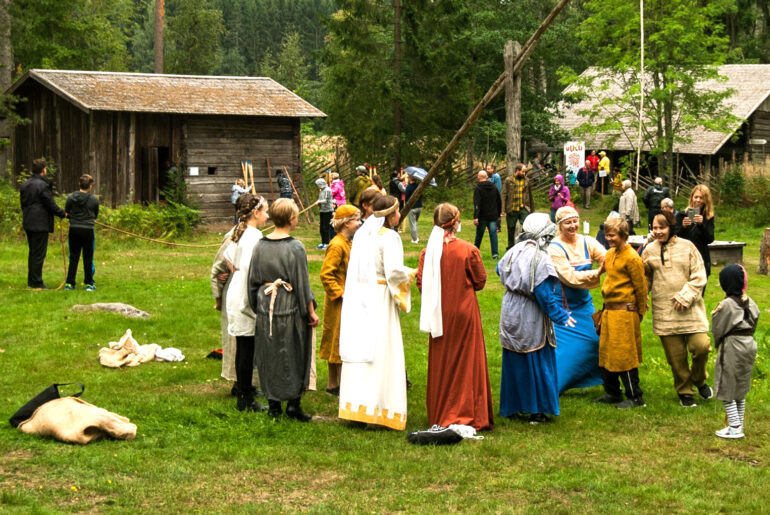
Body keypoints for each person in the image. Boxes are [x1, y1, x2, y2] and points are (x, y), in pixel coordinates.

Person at [338, 195, 414, 430]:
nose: (400, 215)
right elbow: (393, 272)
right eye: (398, 211)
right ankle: (379, 410)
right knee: (381, 350)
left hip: (359, 296)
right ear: (391, 215)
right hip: (380, 297)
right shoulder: (390, 238)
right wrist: (412, 274)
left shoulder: (361, 234)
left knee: (361, 348)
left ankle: (355, 409)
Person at [416, 203, 493, 431]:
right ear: (456, 222)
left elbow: (422, 284)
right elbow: (480, 281)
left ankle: (442, 411)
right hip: (464, 311)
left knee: (443, 361)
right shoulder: (469, 250)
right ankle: (469, 412)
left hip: (438, 313)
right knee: (467, 361)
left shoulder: (427, 253)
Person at [498, 213, 575, 423]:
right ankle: (537, 409)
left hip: (511, 308)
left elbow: (500, 270)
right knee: (535, 358)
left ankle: (512, 406)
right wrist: (560, 315)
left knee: (515, 358)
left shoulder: (513, 251)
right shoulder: (540, 258)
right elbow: (543, 294)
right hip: (530, 313)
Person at [248, 198, 319, 421]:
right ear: (291, 219)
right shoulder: (294, 247)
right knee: (293, 351)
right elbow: (301, 282)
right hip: (288, 306)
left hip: (265, 305)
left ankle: (275, 405)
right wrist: (310, 311)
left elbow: (252, 280)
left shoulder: (260, 244)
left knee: (269, 352)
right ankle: (291, 404)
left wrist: (257, 305)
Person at [642, 212, 712, 407]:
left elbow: (699, 275)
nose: (657, 232)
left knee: (702, 346)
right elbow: (645, 279)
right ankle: (685, 392)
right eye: (654, 228)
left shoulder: (687, 246)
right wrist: (641, 297)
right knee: (676, 358)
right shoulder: (648, 251)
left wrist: (685, 296)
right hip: (665, 311)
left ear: (671, 227)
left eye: (661, 228)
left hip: (691, 309)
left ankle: (699, 379)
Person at [548, 206, 607, 394]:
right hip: (563, 306)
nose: (573, 226)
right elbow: (569, 278)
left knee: (595, 341)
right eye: (568, 223)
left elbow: (607, 258)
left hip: (584, 304)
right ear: (560, 225)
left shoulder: (587, 241)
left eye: (575, 221)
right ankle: (553, 388)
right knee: (567, 351)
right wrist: (597, 272)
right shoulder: (554, 248)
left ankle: (598, 380)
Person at [595, 217, 648, 408]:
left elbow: (641, 287)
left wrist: (639, 311)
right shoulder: (609, 254)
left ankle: (635, 397)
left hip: (625, 312)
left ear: (624, 235)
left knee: (624, 354)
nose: (608, 238)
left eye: (612, 235)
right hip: (609, 312)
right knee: (607, 352)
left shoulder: (632, 258)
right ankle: (612, 392)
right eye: (607, 234)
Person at [224, 194, 269, 412]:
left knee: (245, 344)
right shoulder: (252, 235)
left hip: (237, 286)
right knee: (246, 346)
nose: (267, 216)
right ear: (256, 213)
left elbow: (228, 258)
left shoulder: (239, 231)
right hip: (244, 291)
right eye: (265, 211)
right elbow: (251, 267)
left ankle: (245, 387)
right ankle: (244, 397)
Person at [712, 264, 759, 439]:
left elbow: (718, 328)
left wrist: (719, 344)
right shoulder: (750, 302)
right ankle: (739, 424)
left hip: (732, 346)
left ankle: (735, 426)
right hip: (749, 344)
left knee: (726, 385)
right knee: (740, 385)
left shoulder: (726, 305)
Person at [319, 205, 362, 396]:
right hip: (338, 302)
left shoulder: (347, 242)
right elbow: (326, 274)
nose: (359, 223)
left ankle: (334, 384)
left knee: (340, 339)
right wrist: (340, 293)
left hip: (346, 299)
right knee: (337, 340)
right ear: (346, 223)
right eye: (357, 220)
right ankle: (338, 383)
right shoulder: (337, 245)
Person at [20, 158, 68, 289]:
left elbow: (23, 203)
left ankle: (31, 280)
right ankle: (37, 282)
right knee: (39, 253)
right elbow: (49, 203)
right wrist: (62, 213)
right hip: (40, 223)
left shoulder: (24, 185)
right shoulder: (43, 185)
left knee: (33, 252)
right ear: (43, 170)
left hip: (28, 221)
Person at [64, 174, 99, 291]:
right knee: (88, 257)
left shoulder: (71, 197)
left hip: (74, 229)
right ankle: (89, 283)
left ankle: (69, 283)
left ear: (79, 184)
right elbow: (95, 215)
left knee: (73, 257)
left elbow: (67, 212)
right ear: (90, 186)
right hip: (88, 230)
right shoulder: (94, 199)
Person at [676, 184, 715, 278]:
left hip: (701, 256)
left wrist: (702, 225)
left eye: (701, 198)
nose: (698, 200)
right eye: (696, 197)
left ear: (706, 200)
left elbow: (710, 238)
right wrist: (683, 226)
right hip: (684, 256)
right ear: (691, 198)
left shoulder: (708, 217)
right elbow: (674, 236)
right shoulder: (682, 215)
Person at [502, 163, 534, 251]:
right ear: (517, 171)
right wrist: (503, 209)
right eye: (523, 171)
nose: (524, 173)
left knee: (527, 226)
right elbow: (504, 194)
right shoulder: (508, 180)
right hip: (512, 208)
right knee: (511, 228)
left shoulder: (527, 181)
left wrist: (532, 209)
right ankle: (510, 247)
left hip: (524, 207)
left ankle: (523, 245)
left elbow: (530, 195)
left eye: (525, 172)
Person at [473, 171, 502, 259]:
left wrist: (476, 216)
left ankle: (475, 251)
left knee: (479, 234)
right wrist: (498, 213)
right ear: (486, 177)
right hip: (493, 215)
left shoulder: (478, 188)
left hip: (482, 215)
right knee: (493, 234)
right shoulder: (494, 187)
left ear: (479, 177)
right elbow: (499, 201)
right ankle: (495, 254)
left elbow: (477, 203)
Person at [315, 177, 334, 249]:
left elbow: (326, 200)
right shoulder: (321, 190)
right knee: (321, 228)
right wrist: (318, 202)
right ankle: (323, 242)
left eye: (318, 185)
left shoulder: (328, 190)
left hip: (328, 211)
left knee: (326, 227)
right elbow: (320, 199)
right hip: (322, 210)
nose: (317, 186)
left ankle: (327, 243)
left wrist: (319, 202)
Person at [405, 175, 423, 243]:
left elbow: (407, 198)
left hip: (412, 208)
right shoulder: (419, 186)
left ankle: (415, 239)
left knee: (412, 224)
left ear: (410, 179)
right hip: (419, 206)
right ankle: (416, 236)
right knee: (415, 223)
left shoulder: (409, 187)